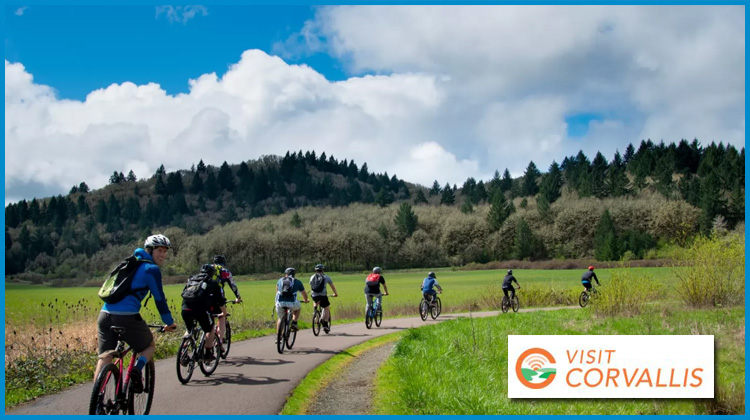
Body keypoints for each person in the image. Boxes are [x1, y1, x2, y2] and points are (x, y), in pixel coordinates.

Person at [95, 234, 178, 393]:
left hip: (104, 315)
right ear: (150, 250)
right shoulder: (151, 269)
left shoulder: (129, 264)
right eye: (159, 250)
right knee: (149, 346)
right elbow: (159, 299)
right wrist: (168, 322)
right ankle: (137, 370)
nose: (163, 255)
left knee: (105, 357)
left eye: (165, 251)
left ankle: (97, 401)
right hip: (126, 318)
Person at [181, 264, 223, 361]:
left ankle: (183, 351)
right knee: (210, 328)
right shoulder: (212, 283)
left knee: (189, 329)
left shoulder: (191, 280)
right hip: (200, 311)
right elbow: (220, 301)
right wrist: (223, 313)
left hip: (185, 309)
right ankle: (208, 353)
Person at [209, 255, 242, 350]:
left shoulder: (207, 269)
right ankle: (219, 341)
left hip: (204, 297)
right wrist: (238, 297)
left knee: (207, 321)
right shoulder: (225, 272)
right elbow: (233, 285)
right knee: (222, 317)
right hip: (217, 298)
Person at [276, 267, 309, 338]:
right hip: (291, 303)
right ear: (294, 274)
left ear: (285, 274)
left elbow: (277, 292)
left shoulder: (279, 281)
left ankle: (278, 337)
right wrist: (306, 300)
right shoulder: (297, 282)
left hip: (280, 303)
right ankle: (294, 322)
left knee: (280, 318)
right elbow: (304, 294)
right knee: (298, 308)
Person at [309, 264, 338, 333]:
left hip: (314, 295)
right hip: (323, 295)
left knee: (315, 300)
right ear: (323, 270)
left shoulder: (312, 277)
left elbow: (312, 286)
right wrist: (335, 293)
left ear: (316, 270)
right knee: (326, 307)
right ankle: (324, 323)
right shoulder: (326, 277)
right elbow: (332, 286)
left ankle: (315, 311)